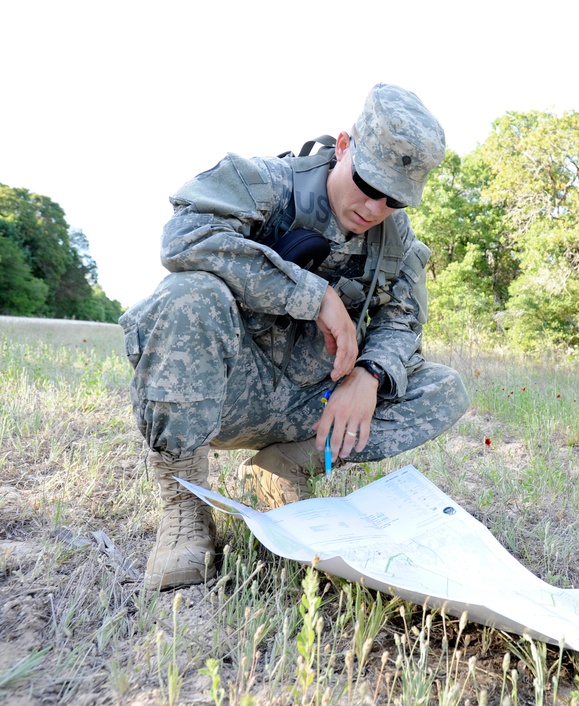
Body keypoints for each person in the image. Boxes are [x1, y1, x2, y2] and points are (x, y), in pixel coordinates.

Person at [119, 84, 470, 592]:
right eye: (368, 185)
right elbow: (184, 239)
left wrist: (369, 376)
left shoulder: (398, 240)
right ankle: (186, 514)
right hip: (225, 391)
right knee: (187, 294)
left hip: (312, 399)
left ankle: (279, 468)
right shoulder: (263, 182)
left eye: (393, 199)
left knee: (443, 387)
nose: (375, 207)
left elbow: (403, 319)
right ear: (345, 146)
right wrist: (312, 293)